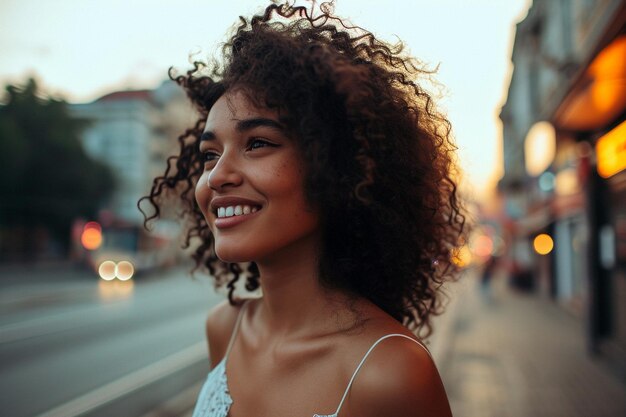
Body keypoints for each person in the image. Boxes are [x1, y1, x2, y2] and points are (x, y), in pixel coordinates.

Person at [141, 2, 465, 416]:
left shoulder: (391, 372)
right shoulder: (224, 328)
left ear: (336, 167)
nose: (217, 176)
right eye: (209, 154)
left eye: (257, 143)